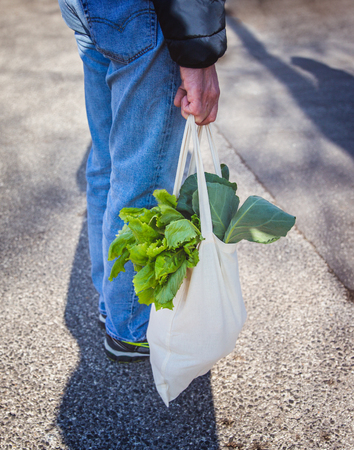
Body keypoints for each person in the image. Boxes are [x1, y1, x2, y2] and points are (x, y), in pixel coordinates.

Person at [59, 0, 226, 362]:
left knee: (109, 163)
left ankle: (113, 304)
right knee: (143, 179)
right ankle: (132, 327)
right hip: (146, 14)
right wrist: (198, 54)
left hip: (87, 7)